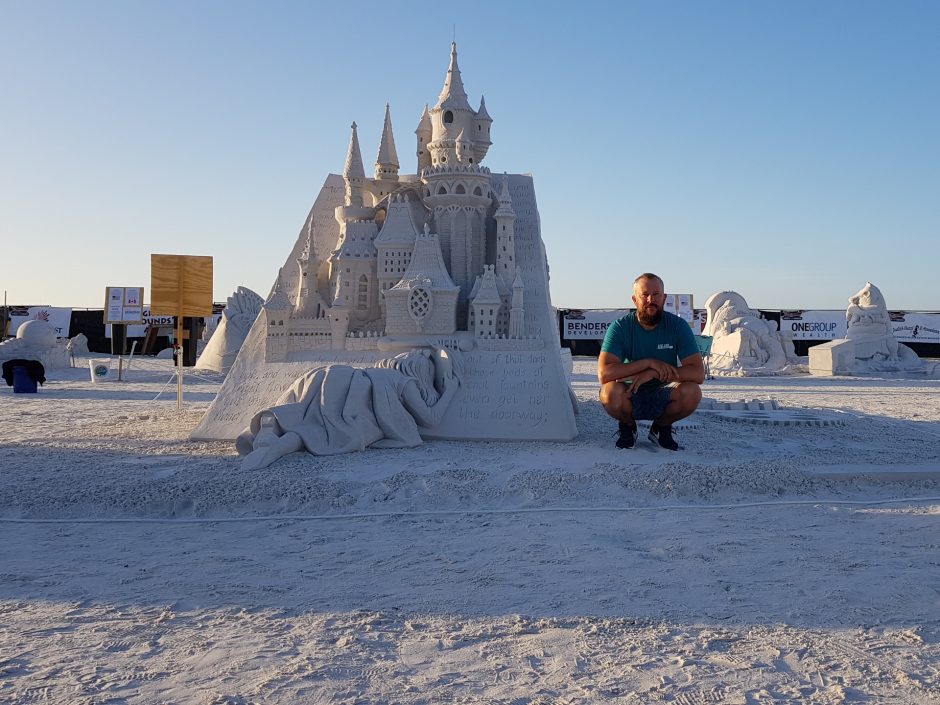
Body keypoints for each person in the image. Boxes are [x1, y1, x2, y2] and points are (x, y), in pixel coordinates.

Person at [236, 346, 462, 470]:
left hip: (330, 374)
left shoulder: (380, 370)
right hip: (353, 396)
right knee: (319, 431)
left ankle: (269, 428)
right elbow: (430, 418)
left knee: (299, 410)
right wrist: (450, 389)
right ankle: (279, 448)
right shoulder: (405, 381)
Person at [598, 273, 704, 450]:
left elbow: (698, 373)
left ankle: (661, 426)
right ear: (634, 299)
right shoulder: (620, 327)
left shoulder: (678, 326)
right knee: (609, 393)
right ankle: (628, 426)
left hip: (663, 392)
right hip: (630, 393)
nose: (650, 299)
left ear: (664, 298)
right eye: (644, 294)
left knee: (692, 392)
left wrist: (653, 373)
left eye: (656, 294)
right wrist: (648, 362)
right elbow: (604, 374)